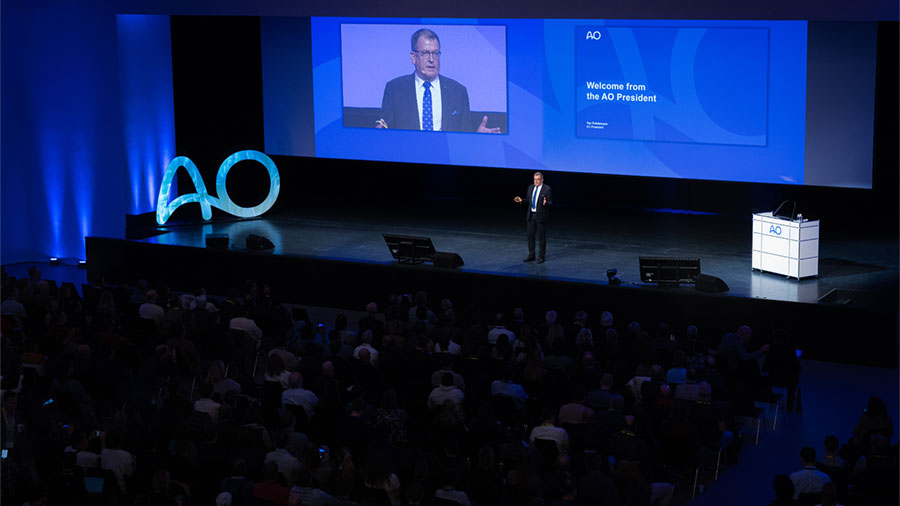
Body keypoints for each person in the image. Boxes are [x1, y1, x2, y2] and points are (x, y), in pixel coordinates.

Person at [376, 28, 501, 133]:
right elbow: (385, 131)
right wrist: (379, 133)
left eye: (435, 53)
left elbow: (464, 136)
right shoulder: (395, 89)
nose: (431, 59)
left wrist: (477, 138)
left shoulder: (458, 91)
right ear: (414, 57)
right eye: (425, 53)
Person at [514, 171, 553, 263]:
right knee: (530, 236)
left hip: (541, 216)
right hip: (531, 216)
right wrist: (521, 200)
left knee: (541, 237)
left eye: (538, 179)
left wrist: (546, 203)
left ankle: (541, 257)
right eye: (534, 179)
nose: (536, 181)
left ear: (542, 180)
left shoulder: (547, 189)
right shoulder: (530, 187)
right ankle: (531, 255)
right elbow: (528, 199)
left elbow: (550, 202)